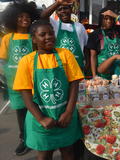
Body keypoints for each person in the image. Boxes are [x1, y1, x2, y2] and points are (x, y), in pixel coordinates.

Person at [13, 20, 83, 160]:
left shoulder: (66, 55)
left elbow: (74, 84)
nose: (48, 37)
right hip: (41, 117)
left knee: (68, 151)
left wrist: (69, 112)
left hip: (65, 116)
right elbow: (25, 93)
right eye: (42, 34)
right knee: (45, 154)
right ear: (34, 39)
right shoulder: (26, 61)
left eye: (51, 33)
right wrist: (41, 118)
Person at [0, 2, 40, 155]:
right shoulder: (7, 38)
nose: (25, 19)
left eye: (28, 17)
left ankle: (36, 137)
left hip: (33, 80)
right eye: (21, 17)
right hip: (15, 83)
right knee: (21, 112)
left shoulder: (34, 37)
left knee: (35, 110)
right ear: (13, 19)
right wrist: (4, 78)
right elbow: (2, 60)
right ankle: (24, 139)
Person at [87, 4, 120, 79]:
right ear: (101, 19)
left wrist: (116, 16)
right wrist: (94, 75)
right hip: (103, 75)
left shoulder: (118, 30)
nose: (109, 21)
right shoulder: (95, 34)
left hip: (119, 73)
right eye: (106, 19)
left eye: (111, 19)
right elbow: (93, 56)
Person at [40, 0, 88, 70]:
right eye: (59, 9)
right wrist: (58, 3)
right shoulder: (54, 25)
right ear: (56, 12)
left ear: (71, 10)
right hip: (59, 68)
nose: (63, 11)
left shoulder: (80, 27)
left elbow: (86, 47)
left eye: (65, 8)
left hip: (77, 68)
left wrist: (87, 62)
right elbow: (43, 16)